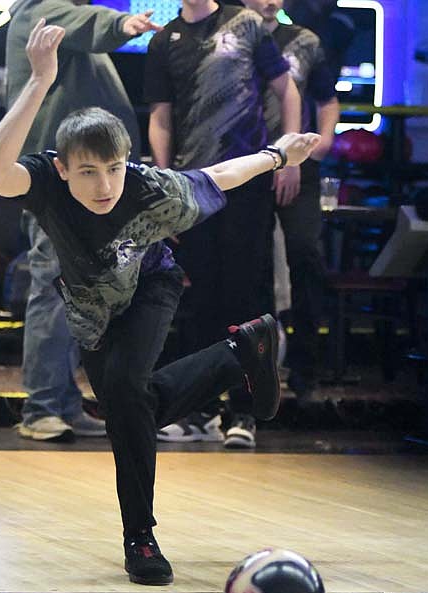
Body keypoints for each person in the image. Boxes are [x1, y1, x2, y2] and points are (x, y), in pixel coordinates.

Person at [0, 18, 320, 585]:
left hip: (150, 289)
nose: (103, 184)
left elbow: (217, 174)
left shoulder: (145, 186)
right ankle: (239, 353)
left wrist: (278, 155)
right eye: (87, 172)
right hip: (92, 313)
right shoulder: (45, 183)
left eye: (112, 168)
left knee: (129, 396)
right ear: (63, 170)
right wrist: (40, 81)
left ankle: (140, 537)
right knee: (129, 412)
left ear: (127, 160)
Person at [144, 0, 302, 449]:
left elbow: (286, 89)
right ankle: (194, 410)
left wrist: (289, 155)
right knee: (197, 300)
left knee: (247, 295)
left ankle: (243, 412)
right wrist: (165, 184)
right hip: (193, 187)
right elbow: (161, 117)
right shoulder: (163, 40)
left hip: (249, 181)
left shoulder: (247, 23)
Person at [3, 0, 161, 441]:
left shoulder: (70, 29)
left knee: (76, 294)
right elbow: (90, 23)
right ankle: (41, 408)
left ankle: (63, 404)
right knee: (54, 288)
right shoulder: (42, 13)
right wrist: (123, 23)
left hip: (83, 181)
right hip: (60, 180)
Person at [244, 0, 339, 403]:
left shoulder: (303, 40)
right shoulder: (231, 39)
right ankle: (259, 373)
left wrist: (320, 145)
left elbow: (327, 99)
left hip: (298, 164)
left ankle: (305, 369)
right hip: (246, 165)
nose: (270, 2)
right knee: (256, 265)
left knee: (304, 253)